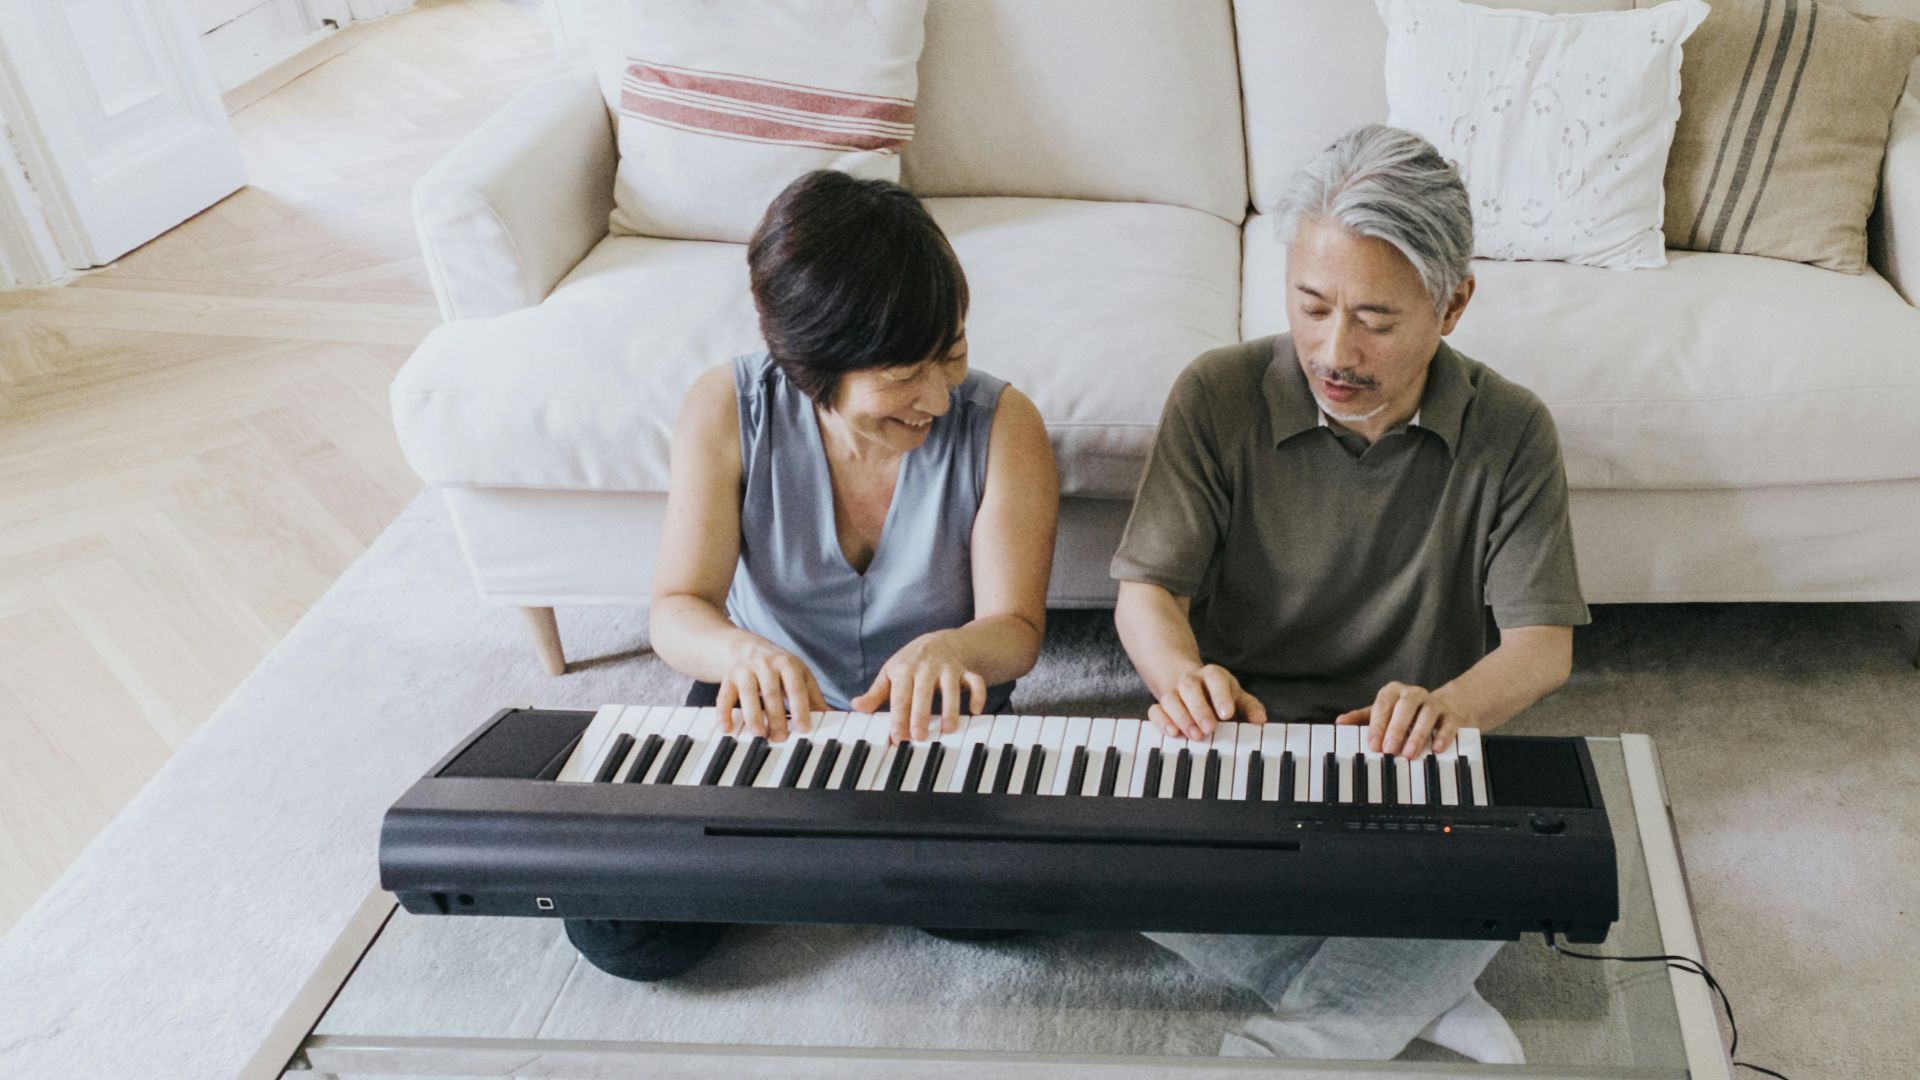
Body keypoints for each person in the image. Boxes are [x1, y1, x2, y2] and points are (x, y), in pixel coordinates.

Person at [1111, 125, 1591, 1062]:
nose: (1335, 350)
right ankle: (1410, 990)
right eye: (1311, 305)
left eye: (1376, 318)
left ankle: (1299, 1044)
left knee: (1527, 858)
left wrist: (1445, 709)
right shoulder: (1216, 393)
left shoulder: (1513, 429)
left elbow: (1543, 646)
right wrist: (1183, 676)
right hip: (1242, 751)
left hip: (1410, 759)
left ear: (1453, 306)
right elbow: (1145, 595)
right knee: (1128, 871)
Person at [564, 169, 1058, 983]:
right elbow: (677, 607)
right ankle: (830, 850)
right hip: (766, 705)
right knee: (621, 932)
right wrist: (738, 657)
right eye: (902, 375)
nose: (936, 396)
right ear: (808, 365)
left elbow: (1016, 632)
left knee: (1010, 907)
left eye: (954, 355)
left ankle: (801, 854)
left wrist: (958, 650)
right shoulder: (726, 407)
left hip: (936, 710)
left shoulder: (1005, 424)